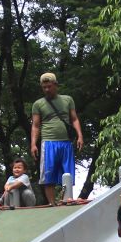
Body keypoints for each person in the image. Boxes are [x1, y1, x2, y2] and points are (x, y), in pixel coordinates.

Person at [31, 73, 84, 205]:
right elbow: (36, 125)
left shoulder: (67, 100)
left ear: (56, 85)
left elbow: (74, 119)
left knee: (68, 174)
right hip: (48, 143)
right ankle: (52, 203)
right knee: (48, 175)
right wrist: (33, 144)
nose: (47, 90)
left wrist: (80, 136)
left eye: (49, 86)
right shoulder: (38, 104)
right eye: (44, 87)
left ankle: (67, 200)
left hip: (66, 142)